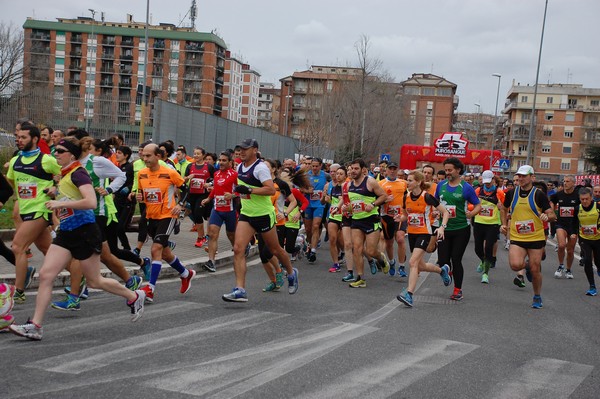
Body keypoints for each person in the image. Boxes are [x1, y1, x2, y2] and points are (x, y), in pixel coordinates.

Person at [9, 137, 145, 341]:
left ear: (72, 155)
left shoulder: (79, 174)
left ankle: (134, 296)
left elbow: (90, 202)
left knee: (94, 281)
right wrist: (55, 194)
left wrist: (60, 205)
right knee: (46, 275)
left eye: (60, 151)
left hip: (85, 232)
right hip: (66, 233)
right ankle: (35, 325)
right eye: (55, 150)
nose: (56, 154)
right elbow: (67, 194)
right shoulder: (63, 174)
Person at [222, 139, 299, 302]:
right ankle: (240, 289)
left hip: (263, 215)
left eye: (245, 149)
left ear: (255, 150)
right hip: (246, 214)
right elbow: (244, 190)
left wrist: (249, 189)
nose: (241, 152)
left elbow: (271, 190)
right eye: (240, 149)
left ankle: (292, 273)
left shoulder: (260, 168)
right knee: (238, 249)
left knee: (275, 249)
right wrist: (238, 193)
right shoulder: (241, 166)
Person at [7, 123, 61, 303]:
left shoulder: (47, 160)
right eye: (18, 137)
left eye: (23, 137)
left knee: (17, 246)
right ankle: (78, 275)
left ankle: (19, 291)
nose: (19, 140)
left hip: (41, 209)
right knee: (47, 248)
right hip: (25, 210)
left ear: (35, 139)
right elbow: (13, 184)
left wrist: (55, 188)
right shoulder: (15, 161)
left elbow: (67, 175)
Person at [137, 144, 196, 303]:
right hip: (152, 216)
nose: (145, 159)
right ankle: (186, 274)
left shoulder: (170, 173)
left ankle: (150, 288)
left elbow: (186, 189)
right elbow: (143, 195)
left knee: (156, 249)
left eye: (148, 156)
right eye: (143, 156)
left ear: (158, 156)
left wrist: (180, 205)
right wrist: (139, 197)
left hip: (168, 215)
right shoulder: (142, 174)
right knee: (164, 253)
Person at [500, 165, 555, 309]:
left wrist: (546, 216)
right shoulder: (512, 193)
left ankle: (537, 296)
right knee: (515, 265)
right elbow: (503, 208)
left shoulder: (539, 194)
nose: (521, 178)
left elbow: (552, 215)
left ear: (532, 177)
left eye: (524, 175)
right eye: (519, 175)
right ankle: (528, 267)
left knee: (536, 269)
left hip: (535, 237)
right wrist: (503, 224)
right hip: (518, 236)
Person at [396, 170, 451, 307]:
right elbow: (405, 215)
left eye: (410, 180)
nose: (407, 183)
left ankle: (409, 294)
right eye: (407, 180)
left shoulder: (427, 197)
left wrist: (442, 227)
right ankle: (442, 270)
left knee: (413, 262)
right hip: (412, 233)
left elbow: (445, 212)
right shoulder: (406, 197)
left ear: (418, 182)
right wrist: (400, 218)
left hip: (425, 233)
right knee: (420, 265)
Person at [435, 157, 481, 301]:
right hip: (444, 229)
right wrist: (437, 211)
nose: (447, 173)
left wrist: (472, 213)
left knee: (456, 259)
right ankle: (446, 273)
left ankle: (457, 290)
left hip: (461, 229)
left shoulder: (466, 187)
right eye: (446, 170)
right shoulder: (440, 185)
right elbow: (436, 203)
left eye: (450, 170)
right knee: (442, 261)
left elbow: (478, 205)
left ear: (458, 170)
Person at [343, 158, 390, 288]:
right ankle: (361, 278)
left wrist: (373, 204)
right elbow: (352, 204)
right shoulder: (348, 185)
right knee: (357, 249)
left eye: (356, 168)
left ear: (363, 170)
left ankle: (381, 258)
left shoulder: (370, 181)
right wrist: (346, 208)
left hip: (371, 220)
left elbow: (384, 196)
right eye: (351, 168)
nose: (353, 171)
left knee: (370, 251)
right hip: (357, 220)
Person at [200, 151, 238, 273]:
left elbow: (241, 191)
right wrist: (209, 198)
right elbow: (216, 188)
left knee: (231, 235)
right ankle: (211, 261)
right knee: (212, 234)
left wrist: (232, 195)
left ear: (230, 163)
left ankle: (239, 249)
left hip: (230, 210)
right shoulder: (216, 174)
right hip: (216, 209)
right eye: (220, 160)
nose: (220, 162)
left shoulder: (235, 175)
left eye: (224, 160)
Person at [472, 170, 506, 284]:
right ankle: (483, 261)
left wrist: (503, 223)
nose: (487, 184)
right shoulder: (478, 190)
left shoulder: (499, 192)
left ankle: (485, 274)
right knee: (477, 248)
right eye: (485, 181)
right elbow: (471, 204)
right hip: (479, 222)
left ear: (493, 179)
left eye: (489, 181)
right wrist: (473, 207)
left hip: (492, 224)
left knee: (488, 248)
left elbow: (504, 209)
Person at [378, 162, 408, 277]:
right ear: (386, 170)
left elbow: (408, 197)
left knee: (400, 239)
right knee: (389, 242)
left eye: (394, 169)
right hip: (386, 216)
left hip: (400, 215)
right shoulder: (381, 184)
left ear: (397, 170)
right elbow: (376, 200)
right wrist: (385, 200)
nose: (392, 171)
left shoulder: (403, 183)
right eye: (390, 169)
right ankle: (391, 262)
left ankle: (401, 266)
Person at [184, 146, 215, 248]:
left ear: (203, 155)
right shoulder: (190, 166)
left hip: (203, 194)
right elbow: (183, 180)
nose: (196, 155)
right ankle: (202, 236)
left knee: (198, 211)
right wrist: (188, 177)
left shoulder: (209, 167)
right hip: (192, 194)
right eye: (195, 154)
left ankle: (200, 237)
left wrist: (209, 184)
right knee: (196, 215)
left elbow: (215, 179)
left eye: (198, 154)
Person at [550, 175, 580, 279]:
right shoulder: (559, 194)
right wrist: (552, 212)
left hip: (573, 225)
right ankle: (560, 265)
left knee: (570, 250)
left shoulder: (578, 196)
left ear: (573, 183)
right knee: (562, 245)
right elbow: (552, 201)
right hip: (561, 224)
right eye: (564, 181)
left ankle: (568, 269)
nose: (565, 183)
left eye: (567, 181)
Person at [303, 157, 329, 263]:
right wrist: (306, 190)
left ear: (320, 166)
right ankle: (310, 245)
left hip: (319, 204)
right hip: (308, 204)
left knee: (316, 226)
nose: (314, 168)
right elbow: (298, 188)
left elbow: (333, 185)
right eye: (312, 166)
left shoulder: (326, 175)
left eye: (316, 166)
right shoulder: (306, 175)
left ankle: (313, 251)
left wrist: (326, 190)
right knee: (308, 229)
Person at [575, 187, 600, 296]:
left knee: (598, 261)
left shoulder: (598, 206)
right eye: (582, 199)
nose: (584, 201)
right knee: (587, 260)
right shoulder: (578, 208)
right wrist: (572, 233)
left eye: (587, 199)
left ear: (591, 198)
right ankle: (592, 286)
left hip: (598, 239)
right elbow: (574, 223)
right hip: (584, 239)